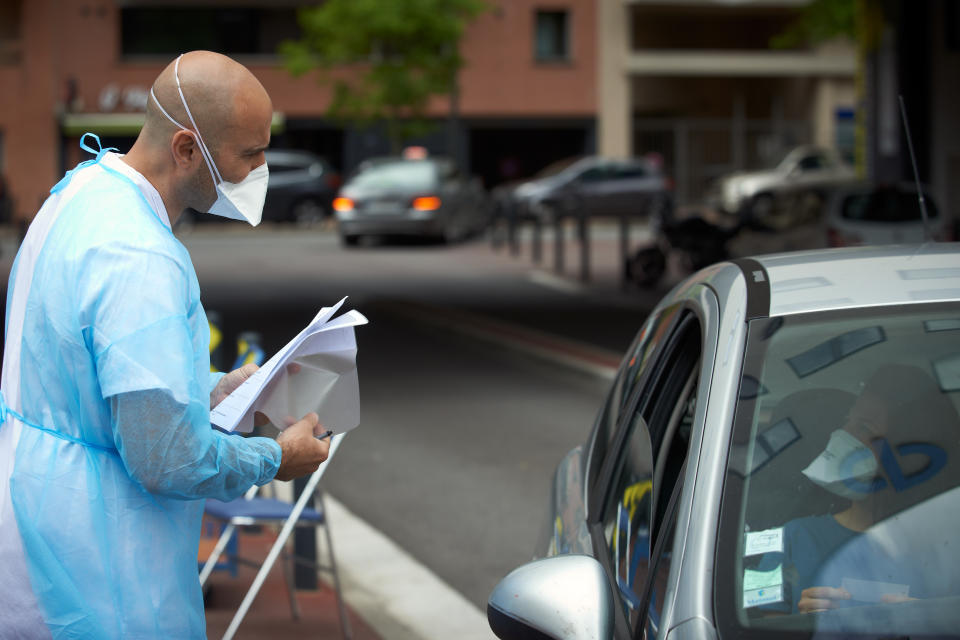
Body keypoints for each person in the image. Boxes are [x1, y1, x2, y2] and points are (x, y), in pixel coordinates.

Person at [0, 51, 331, 638]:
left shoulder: (77, 193)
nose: (260, 169)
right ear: (185, 149)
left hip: (36, 513)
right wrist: (277, 458)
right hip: (95, 560)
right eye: (250, 153)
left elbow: (86, 367)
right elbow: (168, 457)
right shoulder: (141, 255)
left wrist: (210, 387)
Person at [753, 364, 959, 615]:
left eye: (864, 428)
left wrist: (929, 620)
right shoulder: (791, 539)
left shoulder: (948, 549)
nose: (841, 434)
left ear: (905, 456)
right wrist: (802, 622)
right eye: (846, 421)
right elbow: (750, 625)